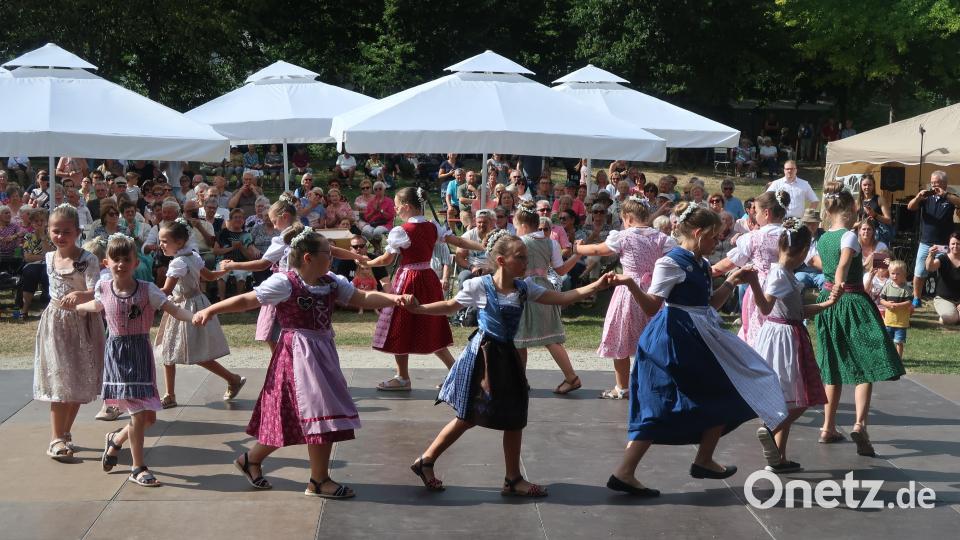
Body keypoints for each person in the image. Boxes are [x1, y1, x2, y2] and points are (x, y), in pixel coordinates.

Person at [194, 227, 403, 497]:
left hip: (322, 352)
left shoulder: (331, 281)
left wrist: (394, 299)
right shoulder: (285, 283)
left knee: (298, 415)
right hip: (297, 355)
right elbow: (248, 300)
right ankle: (318, 481)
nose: (332, 257)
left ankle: (251, 460)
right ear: (308, 258)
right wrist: (212, 309)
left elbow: (360, 297)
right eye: (327, 253)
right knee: (320, 413)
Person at [401, 230, 613, 496]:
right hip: (485, 357)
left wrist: (596, 286)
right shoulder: (480, 286)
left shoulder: (524, 288)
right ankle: (428, 460)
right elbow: (450, 305)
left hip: (507, 357)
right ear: (501, 260)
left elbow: (561, 298)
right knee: (469, 416)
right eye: (521, 258)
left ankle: (509, 477)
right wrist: (419, 309)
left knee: (513, 415)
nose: (526, 263)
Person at [606, 203, 788, 497]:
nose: (718, 242)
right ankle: (631, 470)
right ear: (699, 233)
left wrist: (729, 282)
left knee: (717, 391)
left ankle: (697, 460)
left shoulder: (701, 264)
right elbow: (653, 306)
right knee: (663, 402)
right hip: (672, 339)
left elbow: (707, 305)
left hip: (695, 336)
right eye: (715, 237)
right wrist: (631, 285)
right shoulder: (671, 263)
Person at [66, 234, 192, 486]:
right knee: (137, 413)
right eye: (116, 259)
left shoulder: (147, 290)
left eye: (127, 259)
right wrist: (79, 308)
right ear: (106, 262)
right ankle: (138, 467)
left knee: (148, 418)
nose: (121, 264)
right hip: (118, 355)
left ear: (136, 262)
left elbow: (173, 309)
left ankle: (116, 440)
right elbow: (97, 305)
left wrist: (195, 317)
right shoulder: (103, 287)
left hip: (141, 354)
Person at [814, 182, 904, 456]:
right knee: (865, 363)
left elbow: (820, 263)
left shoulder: (823, 237)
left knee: (832, 364)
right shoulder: (849, 237)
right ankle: (859, 424)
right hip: (849, 300)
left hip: (827, 302)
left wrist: (832, 287)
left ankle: (827, 428)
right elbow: (842, 264)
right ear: (850, 209)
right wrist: (840, 284)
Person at [365, 187, 483, 391]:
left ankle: (403, 377)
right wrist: (482, 247)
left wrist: (368, 263)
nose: (395, 208)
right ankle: (456, 371)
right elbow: (458, 241)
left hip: (408, 280)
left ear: (407, 207)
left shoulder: (401, 231)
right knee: (433, 323)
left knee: (399, 324)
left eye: (397, 205)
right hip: (429, 279)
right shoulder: (433, 226)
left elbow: (387, 259)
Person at [744, 219, 835, 474]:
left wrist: (825, 305)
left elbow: (796, 309)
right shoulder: (780, 275)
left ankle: (779, 457)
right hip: (785, 336)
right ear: (804, 250)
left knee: (788, 396)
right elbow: (765, 307)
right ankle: (771, 427)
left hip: (783, 330)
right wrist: (752, 282)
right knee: (803, 397)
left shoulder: (783, 273)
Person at [575, 197, 674, 399]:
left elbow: (597, 250)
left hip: (628, 290)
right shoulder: (662, 238)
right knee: (653, 340)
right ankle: (653, 385)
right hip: (654, 292)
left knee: (622, 338)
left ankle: (622, 387)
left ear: (627, 218)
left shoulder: (623, 236)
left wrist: (578, 248)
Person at [33, 204, 106, 461]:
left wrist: (80, 294)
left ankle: (64, 433)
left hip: (82, 322)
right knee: (60, 379)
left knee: (77, 380)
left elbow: (98, 291)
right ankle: (55, 438)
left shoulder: (87, 260)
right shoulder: (49, 257)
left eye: (66, 231)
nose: (60, 236)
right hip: (56, 324)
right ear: (49, 231)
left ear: (77, 231)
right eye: (56, 231)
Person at [153, 219, 243, 409]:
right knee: (171, 351)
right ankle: (170, 394)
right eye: (160, 241)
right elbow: (209, 276)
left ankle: (232, 378)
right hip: (197, 302)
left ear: (179, 243)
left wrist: (143, 293)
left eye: (164, 241)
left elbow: (167, 291)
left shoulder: (177, 262)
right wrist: (221, 271)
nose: (161, 245)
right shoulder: (193, 256)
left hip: (184, 307)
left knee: (190, 352)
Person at [512, 202, 584, 394]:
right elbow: (560, 270)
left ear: (524, 225)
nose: (516, 229)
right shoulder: (550, 242)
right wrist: (576, 256)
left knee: (519, 339)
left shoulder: (519, 242)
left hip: (524, 289)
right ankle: (571, 377)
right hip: (544, 287)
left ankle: (519, 381)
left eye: (516, 225)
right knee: (549, 337)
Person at [712, 190, 790, 346]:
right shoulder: (789, 234)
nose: (754, 215)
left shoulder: (754, 237)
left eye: (757, 211)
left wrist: (711, 270)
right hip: (786, 288)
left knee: (757, 333)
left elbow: (729, 263)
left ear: (766, 213)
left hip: (760, 290)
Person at [906, 170, 960, 307]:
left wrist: (945, 194)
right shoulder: (926, 198)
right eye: (932, 182)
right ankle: (916, 298)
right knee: (919, 271)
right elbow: (910, 207)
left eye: (936, 182)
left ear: (944, 183)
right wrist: (918, 197)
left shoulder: (950, 198)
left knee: (948, 272)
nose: (934, 185)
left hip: (945, 244)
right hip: (926, 242)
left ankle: (947, 298)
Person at [19, 208, 53, 319]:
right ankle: (24, 309)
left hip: (48, 264)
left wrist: (43, 237)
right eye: (36, 221)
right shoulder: (28, 236)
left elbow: (50, 254)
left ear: (46, 222)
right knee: (30, 273)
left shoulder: (52, 235)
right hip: (32, 265)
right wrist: (43, 256)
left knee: (47, 273)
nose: (39, 223)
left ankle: (48, 309)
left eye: (42, 220)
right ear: (32, 223)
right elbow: (28, 257)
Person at [878, 260, 913, 359]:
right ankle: (888, 358)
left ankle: (898, 359)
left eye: (898, 274)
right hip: (889, 321)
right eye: (893, 273)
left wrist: (897, 305)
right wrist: (887, 304)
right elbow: (881, 300)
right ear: (889, 273)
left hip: (901, 323)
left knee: (899, 342)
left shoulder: (906, 289)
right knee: (888, 342)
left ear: (904, 275)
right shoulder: (887, 287)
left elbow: (909, 302)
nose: (895, 276)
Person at [925, 234, 960, 324]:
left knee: (954, 318)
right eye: (953, 244)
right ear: (949, 245)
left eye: (958, 244)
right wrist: (931, 255)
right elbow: (930, 267)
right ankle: (952, 317)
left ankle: (956, 316)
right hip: (944, 299)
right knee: (951, 318)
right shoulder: (943, 258)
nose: (955, 246)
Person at [855, 173, 894, 244]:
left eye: (869, 185)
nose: (867, 187)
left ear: (873, 186)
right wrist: (863, 222)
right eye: (864, 185)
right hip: (861, 236)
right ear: (861, 186)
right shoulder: (857, 202)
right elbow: (851, 224)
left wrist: (875, 215)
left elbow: (889, 220)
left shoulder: (879, 199)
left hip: (877, 236)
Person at [360, 181, 396, 250]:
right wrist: (374, 211)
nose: (378, 191)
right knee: (365, 231)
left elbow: (390, 216)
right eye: (376, 189)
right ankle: (377, 248)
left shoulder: (389, 201)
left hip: (385, 223)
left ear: (384, 190)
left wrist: (380, 210)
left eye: (380, 189)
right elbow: (366, 218)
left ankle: (377, 249)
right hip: (373, 223)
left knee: (377, 232)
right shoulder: (371, 202)